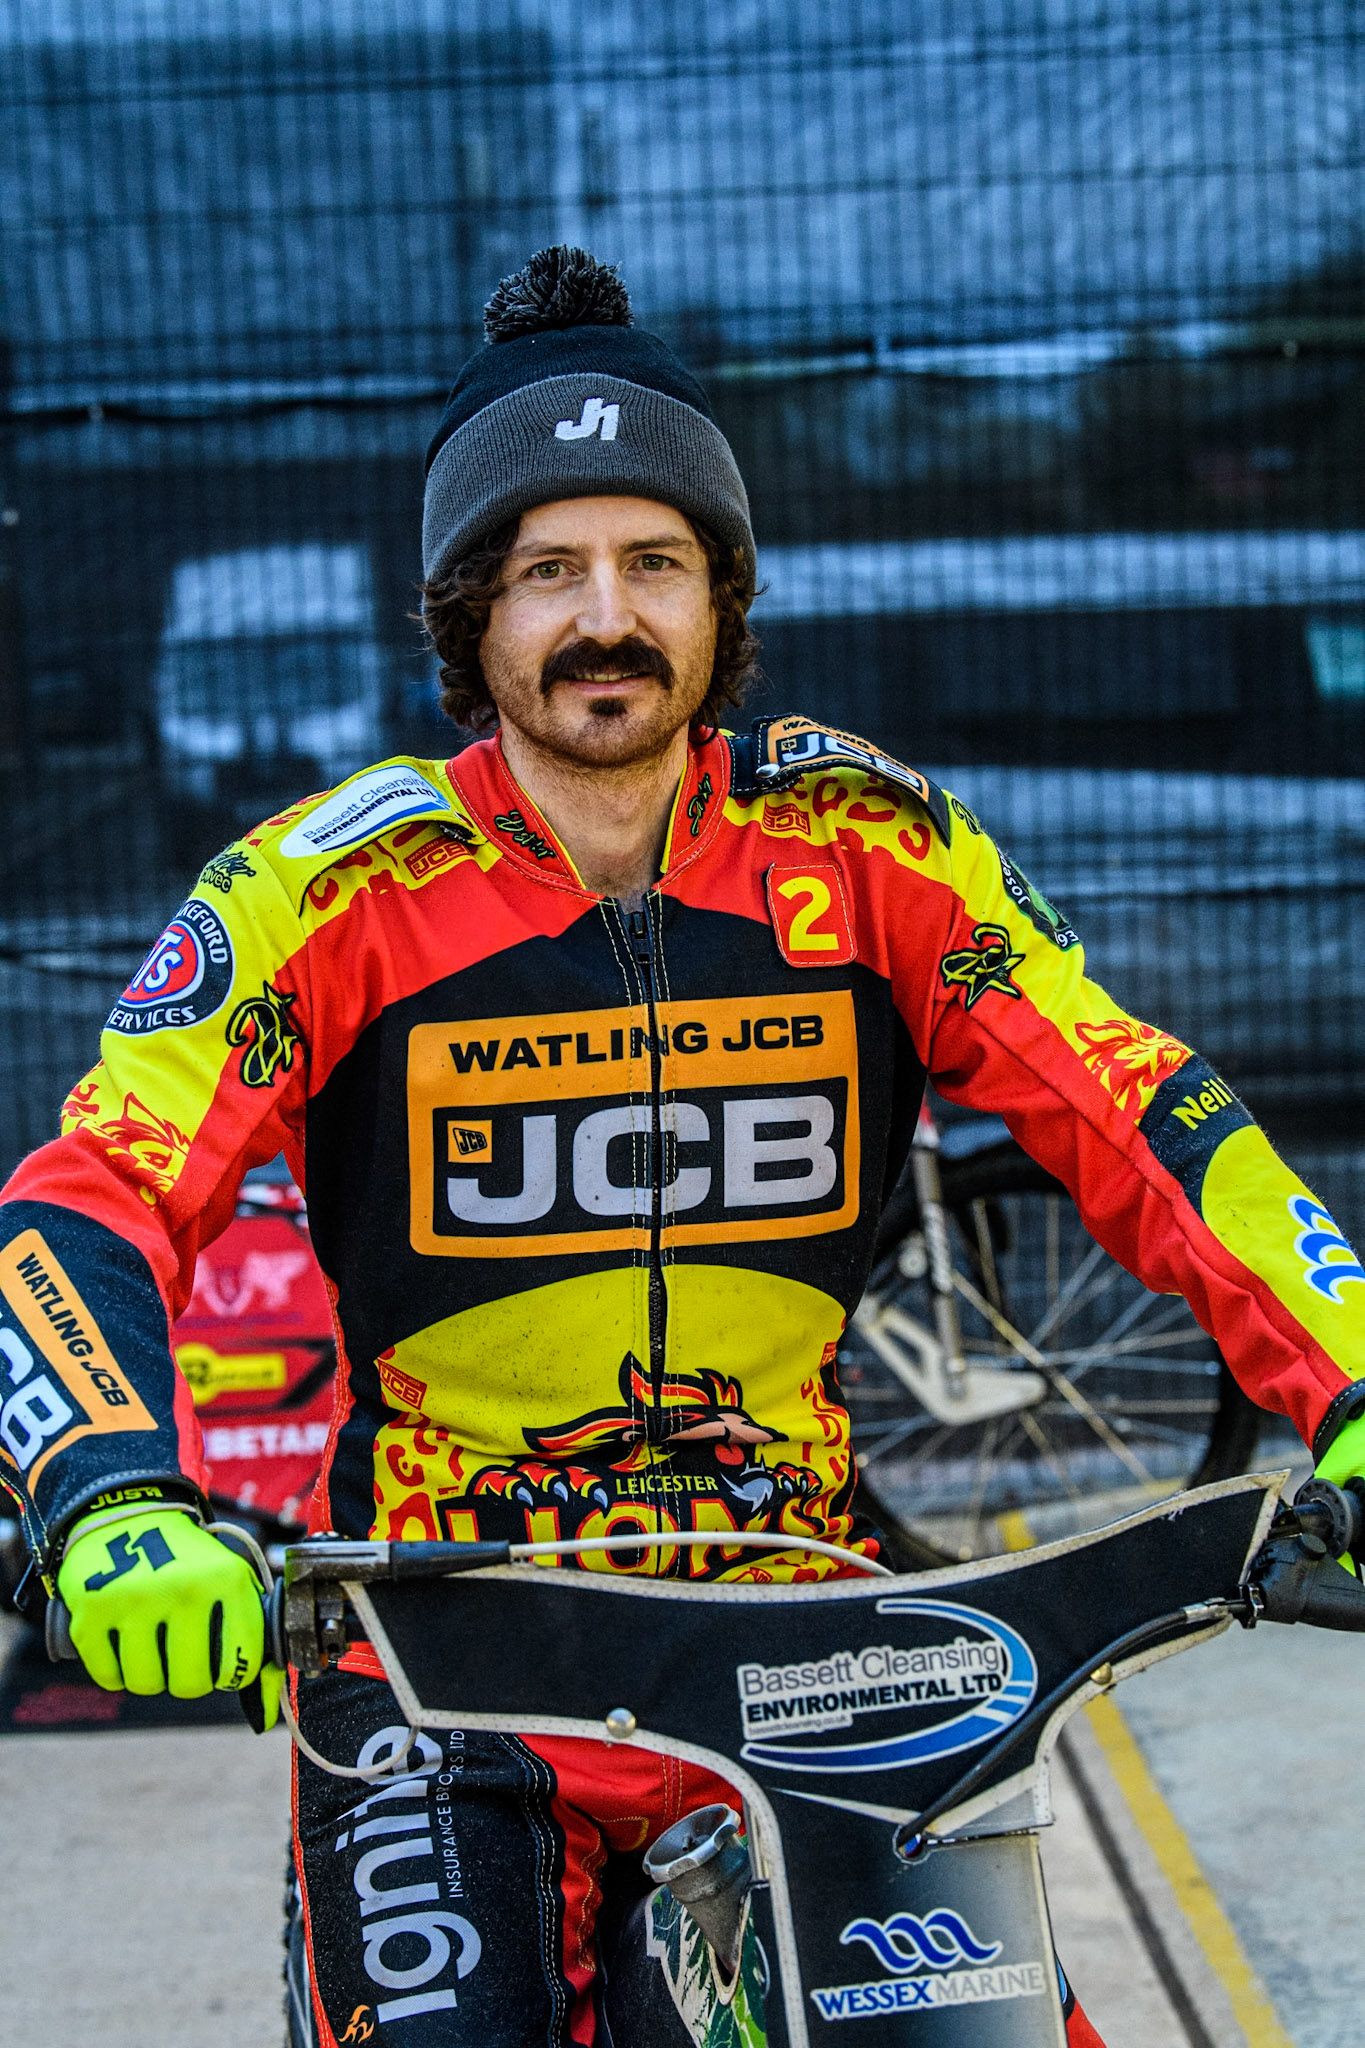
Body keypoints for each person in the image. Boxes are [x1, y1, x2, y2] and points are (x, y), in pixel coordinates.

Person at [2, 244, 1362, 2048]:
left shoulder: (870, 843)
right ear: (468, 610)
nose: (603, 618)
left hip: (824, 1638)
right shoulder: (319, 889)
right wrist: (106, 1494)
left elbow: (1137, 1105)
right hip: (442, 1657)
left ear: (720, 597)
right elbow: (92, 1189)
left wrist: (1348, 1372)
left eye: (654, 563)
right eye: (547, 570)